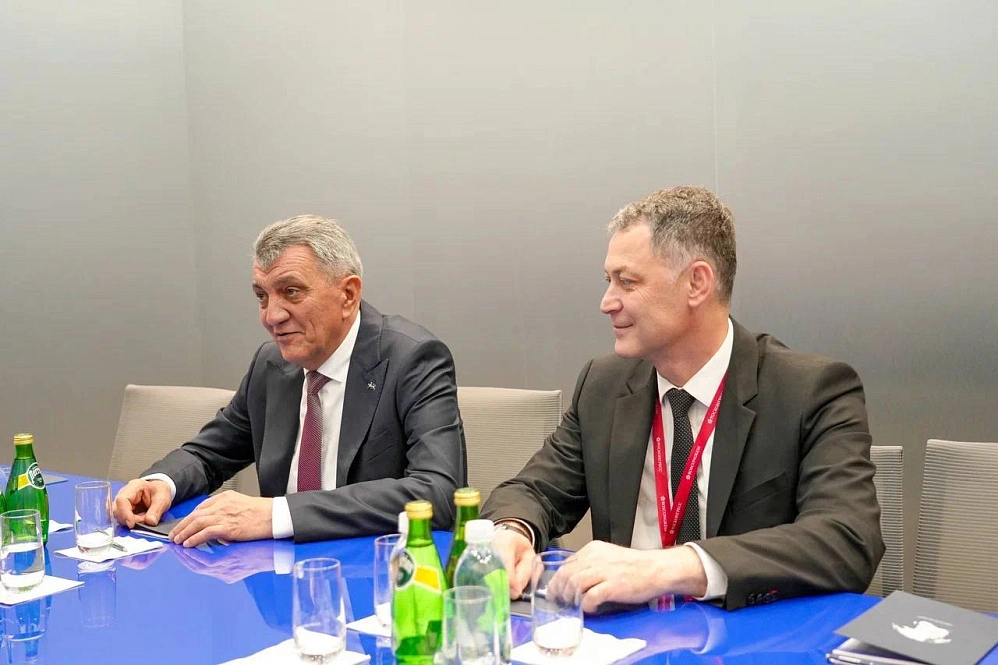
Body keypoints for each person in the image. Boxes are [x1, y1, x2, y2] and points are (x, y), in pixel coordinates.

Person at [482, 186, 883, 611]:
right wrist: (512, 531)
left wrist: (671, 568)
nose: (606, 303)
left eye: (627, 282)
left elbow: (847, 538)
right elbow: (535, 490)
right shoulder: (604, 385)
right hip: (625, 636)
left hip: (748, 634)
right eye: (608, 281)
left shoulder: (809, 391)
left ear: (696, 283)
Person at [112, 215, 467, 546]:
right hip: (278, 568)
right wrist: (162, 483)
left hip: (372, 568)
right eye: (262, 296)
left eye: (291, 292)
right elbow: (210, 454)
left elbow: (438, 491)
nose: (272, 316)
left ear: (348, 295)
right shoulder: (271, 365)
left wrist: (278, 514)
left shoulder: (412, 359)